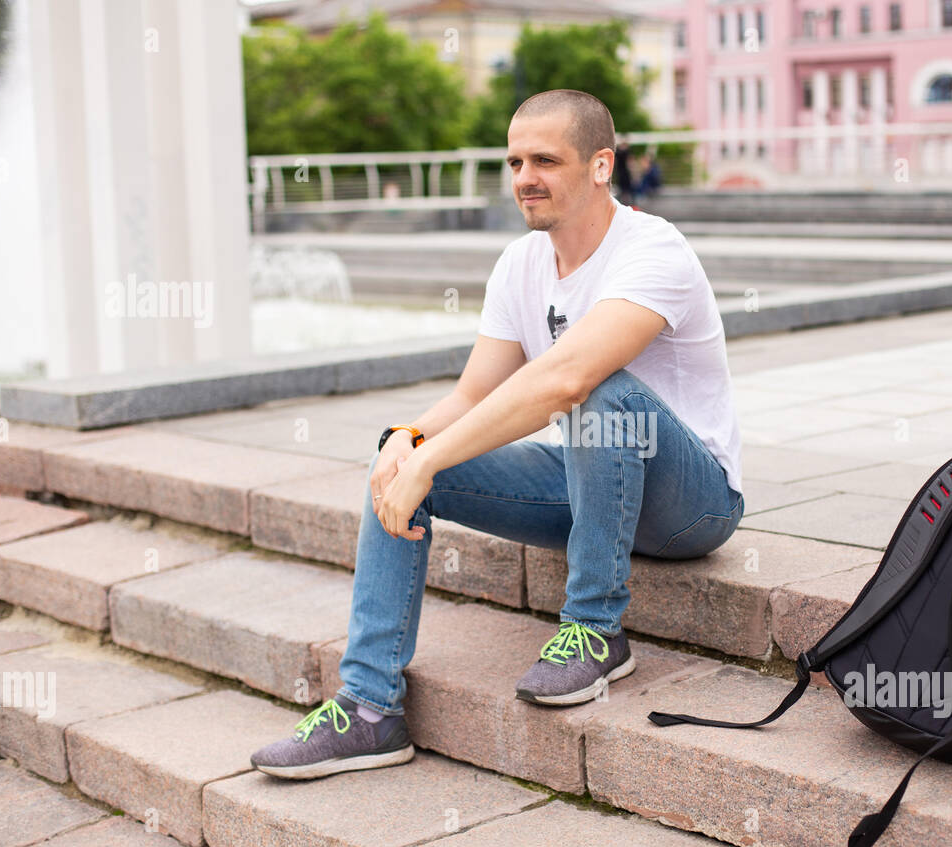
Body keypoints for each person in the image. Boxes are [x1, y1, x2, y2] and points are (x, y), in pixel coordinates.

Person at [250, 89, 745, 779]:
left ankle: (595, 631)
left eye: (545, 159)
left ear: (602, 165)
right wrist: (409, 439)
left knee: (605, 391)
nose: (524, 178)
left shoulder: (653, 249)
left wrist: (431, 459)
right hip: (591, 486)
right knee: (403, 461)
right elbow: (475, 393)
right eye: (514, 161)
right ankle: (370, 710)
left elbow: (566, 381)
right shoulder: (521, 263)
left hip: (691, 505)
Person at [614, 137, 634, 205]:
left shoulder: (624, 151)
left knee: (626, 189)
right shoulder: (623, 152)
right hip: (622, 173)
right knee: (623, 189)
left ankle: (627, 202)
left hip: (624, 173)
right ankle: (626, 202)